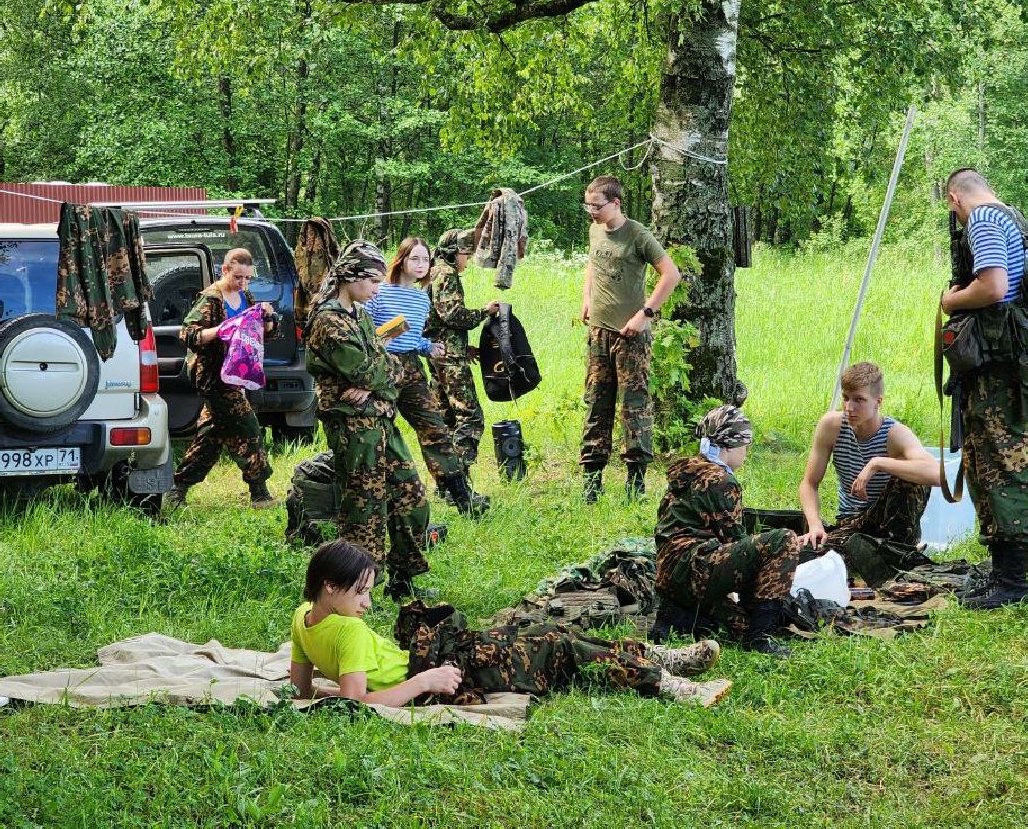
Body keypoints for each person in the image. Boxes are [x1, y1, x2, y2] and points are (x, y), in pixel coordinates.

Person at [287, 540, 730, 707]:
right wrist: (425, 682)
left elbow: (302, 689)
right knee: (558, 646)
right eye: (360, 592)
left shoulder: (303, 618)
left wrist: (323, 690)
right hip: (443, 672)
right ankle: (667, 682)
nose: (367, 603)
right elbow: (358, 704)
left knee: (554, 634)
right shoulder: (349, 631)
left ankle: (659, 658)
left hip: (440, 659)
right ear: (330, 585)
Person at [941, 169, 1028, 609]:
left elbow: (992, 286)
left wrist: (951, 300)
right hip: (1001, 361)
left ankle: (1013, 582)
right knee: (984, 463)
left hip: (996, 366)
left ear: (955, 199)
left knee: (1002, 464)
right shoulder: (1018, 220)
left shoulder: (983, 220)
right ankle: (999, 573)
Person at [305, 241, 431, 601]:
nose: (378, 289)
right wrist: (378, 376)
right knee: (365, 509)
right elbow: (369, 368)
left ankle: (404, 579)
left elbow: (384, 366)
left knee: (412, 497)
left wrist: (373, 384)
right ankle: (360, 591)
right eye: (373, 281)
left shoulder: (358, 314)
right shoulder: (329, 321)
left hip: (380, 418)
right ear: (351, 277)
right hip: (352, 426)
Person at [652, 404, 801, 655]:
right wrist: (772, 586)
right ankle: (760, 638)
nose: (746, 451)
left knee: (738, 623)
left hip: (671, 576)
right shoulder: (721, 480)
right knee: (783, 541)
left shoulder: (690, 471)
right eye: (745, 444)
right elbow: (737, 543)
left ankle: (681, 616)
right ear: (730, 446)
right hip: (693, 569)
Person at [365, 237, 489, 517]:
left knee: (435, 429)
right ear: (401, 261)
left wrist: (428, 347)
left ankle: (461, 496)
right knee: (380, 434)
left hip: (412, 368)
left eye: (425, 259)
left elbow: (412, 337)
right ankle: (380, 502)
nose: (421, 265)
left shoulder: (422, 298)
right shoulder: (379, 292)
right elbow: (367, 334)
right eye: (415, 259)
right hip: (381, 368)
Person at [579, 174, 681, 501]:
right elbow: (593, 264)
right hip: (599, 332)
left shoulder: (637, 235)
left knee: (634, 407)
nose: (592, 211)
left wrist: (645, 314)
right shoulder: (595, 229)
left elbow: (671, 274)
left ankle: (635, 483)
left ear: (616, 203)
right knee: (596, 403)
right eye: (588, 205)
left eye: (597, 206)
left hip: (630, 337)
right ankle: (591, 482)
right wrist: (586, 298)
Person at [166, 248, 282, 512]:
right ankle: (260, 493)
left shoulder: (245, 296)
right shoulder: (211, 299)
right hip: (214, 377)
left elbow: (262, 333)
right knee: (248, 427)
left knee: (211, 435)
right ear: (225, 270)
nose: (243, 283)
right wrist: (219, 330)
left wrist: (268, 317)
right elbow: (188, 335)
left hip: (236, 375)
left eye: (247, 278)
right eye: (238, 277)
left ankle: (177, 488)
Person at [797, 362, 938, 550]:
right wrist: (815, 525)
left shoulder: (895, 434)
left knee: (912, 481)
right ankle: (874, 553)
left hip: (889, 523)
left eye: (859, 400)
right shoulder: (831, 426)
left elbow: (937, 474)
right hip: (851, 522)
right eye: (845, 398)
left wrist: (877, 463)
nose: (849, 407)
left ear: (878, 402)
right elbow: (809, 483)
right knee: (808, 552)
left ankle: (897, 550)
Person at [425, 228, 499, 471]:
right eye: (466, 255)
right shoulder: (446, 274)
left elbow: (434, 320)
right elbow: (452, 315)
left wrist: (463, 347)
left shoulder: (433, 272)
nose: (467, 261)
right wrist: (484, 312)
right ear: (454, 253)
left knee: (446, 417)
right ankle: (459, 477)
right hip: (449, 358)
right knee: (469, 417)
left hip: (438, 352)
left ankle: (445, 478)